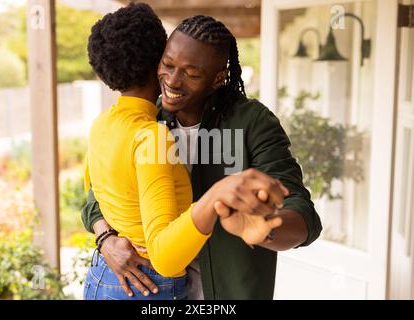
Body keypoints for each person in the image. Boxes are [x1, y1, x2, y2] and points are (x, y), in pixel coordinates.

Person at [82, 14, 323, 300]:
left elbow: (304, 216)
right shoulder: (147, 121)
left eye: (192, 74)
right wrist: (105, 239)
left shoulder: (252, 123)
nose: (172, 81)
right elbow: (97, 196)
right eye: (168, 65)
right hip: (158, 292)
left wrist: (264, 229)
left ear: (217, 78)